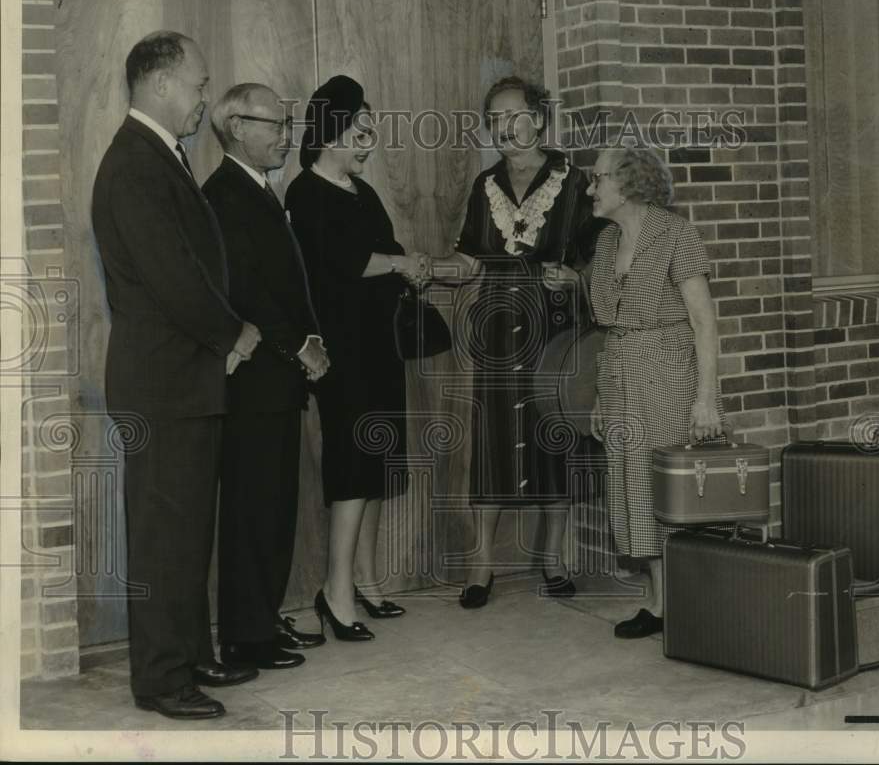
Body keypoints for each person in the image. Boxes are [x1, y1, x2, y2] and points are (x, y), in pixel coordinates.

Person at [91, 31, 263, 720]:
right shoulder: (135, 163)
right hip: (164, 384)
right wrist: (234, 331)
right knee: (165, 537)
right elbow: (173, 277)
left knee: (186, 530)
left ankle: (188, 653)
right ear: (160, 83)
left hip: (182, 382)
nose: (202, 99)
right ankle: (161, 679)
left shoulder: (159, 156)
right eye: (197, 84)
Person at [429, 75, 598, 608]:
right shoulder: (485, 186)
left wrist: (576, 279)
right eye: (494, 119)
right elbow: (470, 258)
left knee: (554, 437)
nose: (503, 128)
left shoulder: (576, 181)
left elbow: (601, 257)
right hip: (500, 328)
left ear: (539, 118)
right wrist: (432, 269)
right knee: (494, 440)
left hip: (556, 329)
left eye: (512, 116)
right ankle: (481, 566)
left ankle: (552, 559)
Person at [286, 75, 428, 641]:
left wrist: (408, 263)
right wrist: (398, 264)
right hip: (342, 350)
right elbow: (341, 263)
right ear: (330, 132)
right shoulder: (304, 191)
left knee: (375, 467)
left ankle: (366, 582)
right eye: (361, 131)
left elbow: (385, 251)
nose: (369, 141)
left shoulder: (361, 191)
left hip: (380, 345)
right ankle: (334, 592)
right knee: (350, 467)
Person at [202, 83, 330, 672]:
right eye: (275, 124)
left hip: (274, 381)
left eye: (288, 123)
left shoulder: (255, 189)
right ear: (235, 127)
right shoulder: (225, 194)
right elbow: (245, 288)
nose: (287, 135)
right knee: (255, 508)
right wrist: (300, 343)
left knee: (274, 504)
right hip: (254, 382)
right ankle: (245, 636)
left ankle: (261, 619)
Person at [587, 146, 725, 639]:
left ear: (626, 183)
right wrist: (603, 396)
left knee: (668, 490)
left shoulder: (675, 233)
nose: (591, 188)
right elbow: (611, 326)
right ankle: (659, 602)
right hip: (621, 375)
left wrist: (705, 399)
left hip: (667, 376)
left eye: (598, 179)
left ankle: (684, 604)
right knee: (634, 491)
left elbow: (704, 321)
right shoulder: (605, 244)